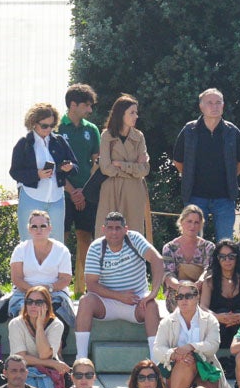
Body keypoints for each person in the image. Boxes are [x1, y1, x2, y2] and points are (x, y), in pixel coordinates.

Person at [172, 88, 240, 242]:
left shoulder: (232, 132)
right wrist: (190, 178)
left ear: (223, 105)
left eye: (218, 102)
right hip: (195, 196)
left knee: (225, 244)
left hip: (225, 198)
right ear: (201, 106)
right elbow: (178, 161)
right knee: (193, 242)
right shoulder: (189, 130)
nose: (214, 106)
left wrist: (229, 178)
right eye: (210, 103)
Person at [76, 211, 165, 339]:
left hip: (136, 300)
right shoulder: (96, 247)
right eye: (110, 228)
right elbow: (91, 285)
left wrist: (153, 292)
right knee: (85, 301)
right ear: (103, 229)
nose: (114, 232)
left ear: (125, 229)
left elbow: (157, 260)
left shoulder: (134, 239)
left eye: (118, 228)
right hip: (106, 301)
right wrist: (119, 296)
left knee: (151, 305)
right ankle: (81, 356)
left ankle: (155, 357)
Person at [10, 102, 79, 243]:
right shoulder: (24, 143)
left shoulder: (59, 141)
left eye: (52, 125)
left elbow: (76, 166)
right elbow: (15, 172)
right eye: (44, 126)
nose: (48, 129)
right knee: (29, 243)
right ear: (33, 123)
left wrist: (69, 167)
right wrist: (37, 174)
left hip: (57, 199)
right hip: (31, 197)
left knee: (57, 243)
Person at [153, 280, 224, 388]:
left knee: (206, 387)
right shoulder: (167, 322)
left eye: (188, 296)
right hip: (175, 368)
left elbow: (213, 345)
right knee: (185, 363)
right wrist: (175, 354)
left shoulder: (210, 320)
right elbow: (158, 349)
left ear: (197, 297)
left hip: (205, 367)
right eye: (180, 297)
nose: (183, 300)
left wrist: (191, 347)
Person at [59, 85, 100, 295]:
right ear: (73, 105)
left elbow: (96, 161)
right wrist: (72, 190)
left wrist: (83, 191)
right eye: (86, 105)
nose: (90, 110)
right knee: (61, 237)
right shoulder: (57, 127)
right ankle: (62, 286)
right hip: (62, 193)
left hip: (87, 193)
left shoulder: (91, 130)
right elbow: (53, 164)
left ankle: (83, 288)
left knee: (86, 237)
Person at [96, 94, 152, 242]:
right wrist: (134, 168)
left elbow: (145, 169)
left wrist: (121, 164)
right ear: (121, 114)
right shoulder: (106, 136)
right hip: (110, 190)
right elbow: (106, 168)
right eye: (132, 112)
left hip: (134, 191)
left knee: (134, 234)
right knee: (107, 234)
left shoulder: (139, 137)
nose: (136, 116)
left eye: (136, 112)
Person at [8, 285, 70, 388]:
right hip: (23, 368)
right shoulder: (16, 324)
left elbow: (44, 354)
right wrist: (52, 363)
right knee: (30, 379)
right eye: (29, 302)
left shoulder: (56, 325)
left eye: (39, 302)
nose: (33, 306)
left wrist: (40, 326)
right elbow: (20, 358)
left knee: (46, 381)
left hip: (47, 370)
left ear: (47, 305)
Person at [8, 210, 75, 326]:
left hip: (54, 293)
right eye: (34, 226)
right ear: (29, 229)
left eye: (43, 226)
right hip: (24, 293)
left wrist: (47, 290)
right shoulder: (20, 249)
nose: (38, 230)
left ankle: (54, 344)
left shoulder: (62, 250)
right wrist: (35, 294)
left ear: (50, 228)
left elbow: (65, 279)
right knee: (24, 318)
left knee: (56, 320)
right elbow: (16, 279)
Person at [200, 239, 240, 353]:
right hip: (217, 325)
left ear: (237, 258)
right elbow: (203, 307)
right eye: (223, 257)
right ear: (217, 259)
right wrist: (217, 316)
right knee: (219, 317)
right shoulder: (209, 282)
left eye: (231, 256)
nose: (227, 260)